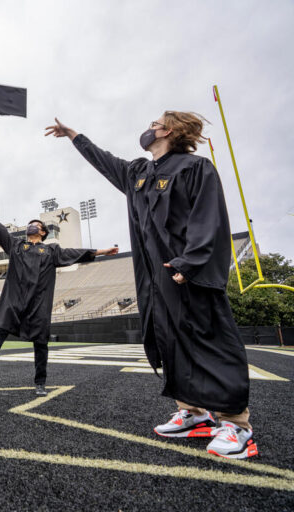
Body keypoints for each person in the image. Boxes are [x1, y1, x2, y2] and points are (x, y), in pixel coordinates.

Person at [45, 112, 256, 459]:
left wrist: (190, 262)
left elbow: (210, 217)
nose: (149, 126)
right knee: (169, 341)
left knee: (211, 339)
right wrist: (73, 135)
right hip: (155, 275)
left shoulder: (194, 168)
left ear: (169, 130)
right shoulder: (138, 173)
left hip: (189, 270)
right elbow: (104, 161)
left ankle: (236, 423)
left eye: (155, 122)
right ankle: (193, 412)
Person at [0, 204, 117, 395]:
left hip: (38, 303)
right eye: (30, 224)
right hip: (15, 299)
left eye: (36, 224)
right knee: (0, 330)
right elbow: (0, 230)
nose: (32, 226)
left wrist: (102, 251)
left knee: (40, 343)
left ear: (43, 232)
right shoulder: (16, 246)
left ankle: (40, 383)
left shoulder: (51, 250)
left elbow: (75, 254)